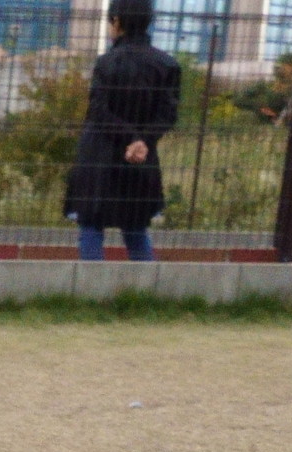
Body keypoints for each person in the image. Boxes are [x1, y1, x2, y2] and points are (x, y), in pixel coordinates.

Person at [66, 0, 181, 263]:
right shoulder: (167, 65)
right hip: (141, 157)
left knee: (92, 223)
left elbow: (98, 110)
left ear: (117, 21)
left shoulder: (106, 63)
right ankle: (146, 291)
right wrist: (142, 141)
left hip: (100, 153)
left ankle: (92, 291)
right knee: (135, 226)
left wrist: (128, 138)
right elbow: (168, 114)